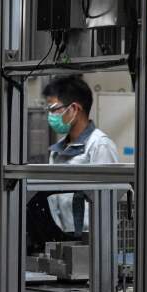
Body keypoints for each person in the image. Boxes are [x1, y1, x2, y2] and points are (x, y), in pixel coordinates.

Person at [43, 76, 119, 234]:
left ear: (74, 109)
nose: (50, 116)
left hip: (93, 239)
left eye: (54, 109)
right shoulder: (57, 151)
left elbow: (105, 203)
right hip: (63, 238)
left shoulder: (100, 145)